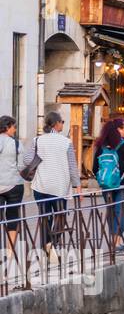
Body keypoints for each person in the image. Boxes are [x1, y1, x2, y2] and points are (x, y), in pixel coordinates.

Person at [22, 110, 80, 258]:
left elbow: (27, 160)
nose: (63, 124)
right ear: (56, 123)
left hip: (41, 185)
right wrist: (77, 186)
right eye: (62, 122)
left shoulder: (37, 140)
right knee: (60, 217)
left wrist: (41, 162)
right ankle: (53, 244)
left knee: (44, 217)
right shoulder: (66, 142)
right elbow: (72, 166)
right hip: (60, 186)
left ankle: (46, 246)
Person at [94, 118, 124, 254]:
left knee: (112, 212)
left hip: (107, 186)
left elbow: (94, 167)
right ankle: (116, 242)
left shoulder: (101, 147)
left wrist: (103, 180)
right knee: (122, 212)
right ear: (118, 130)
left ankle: (116, 241)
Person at [0, 116, 24, 258]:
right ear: (7, 126)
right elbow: (21, 166)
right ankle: (9, 251)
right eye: (14, 127)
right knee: (13, 216)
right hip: (14, 185)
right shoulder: (16, 144)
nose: (15, 130)